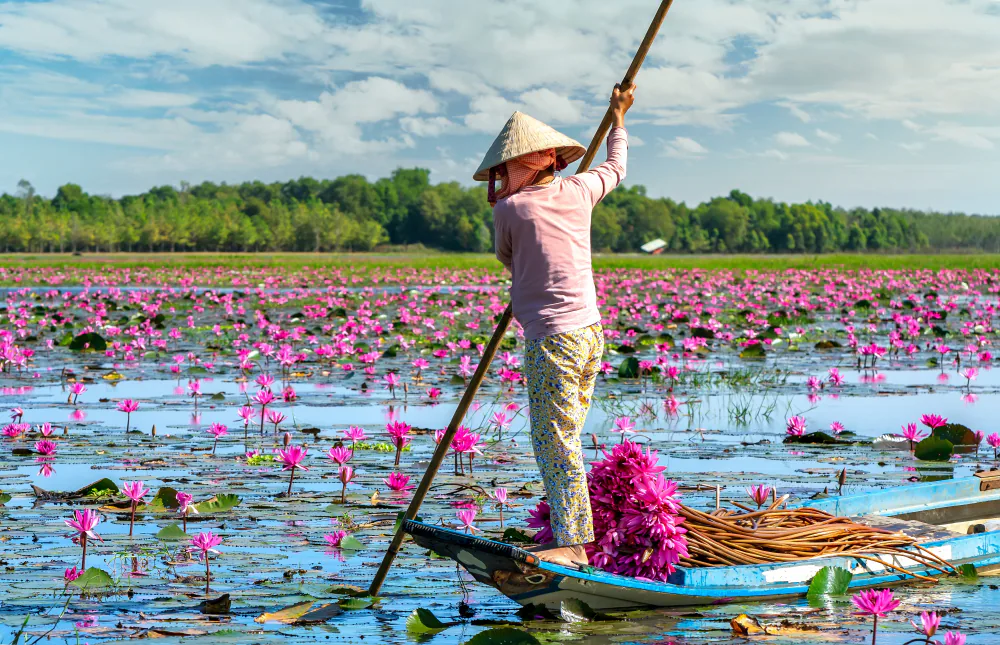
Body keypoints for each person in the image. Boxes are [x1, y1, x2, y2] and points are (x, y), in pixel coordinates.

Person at [474, 84, 636, 567]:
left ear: (545, 158)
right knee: (563, 434)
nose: (506, 174)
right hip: (590, 332)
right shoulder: (581, 189)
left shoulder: (511, 209)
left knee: (555, 440)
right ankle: (572, 531)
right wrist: (620, 118)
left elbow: (506, 254)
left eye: (513, 164)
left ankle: (572, 544)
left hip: (552, 340)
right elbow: (617, 167)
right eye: (505, 167)